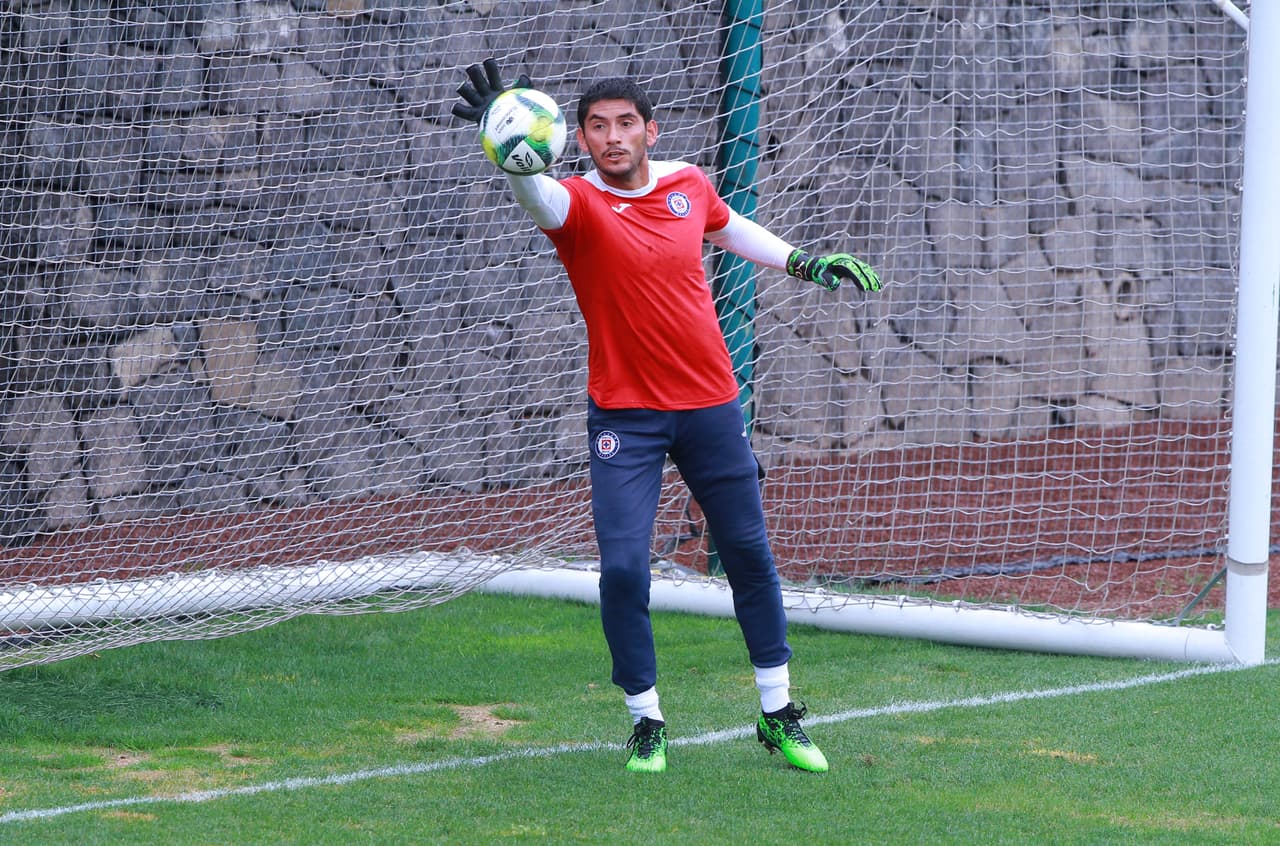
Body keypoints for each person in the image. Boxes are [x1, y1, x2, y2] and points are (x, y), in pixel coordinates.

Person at [452, 59, 881, 774]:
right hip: (627, 415)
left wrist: (804, 262)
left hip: (711, 406)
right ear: (578, 140)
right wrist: (509, 141)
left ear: (650, 130)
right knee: (623, 568)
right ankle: (646, 722)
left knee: (748, 553)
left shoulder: (688, 183)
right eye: (596, 127)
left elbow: (730, 227)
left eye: (625, 124)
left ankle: (778, 713)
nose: (612, 137)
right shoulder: (575, 204)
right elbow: (536, 197)